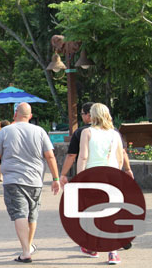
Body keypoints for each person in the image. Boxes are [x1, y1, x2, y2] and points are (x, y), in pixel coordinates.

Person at [0, 103, 60, 263]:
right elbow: (50, 156)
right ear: (30, 115)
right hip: (35, 179)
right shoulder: (40, 131)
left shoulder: (5, 131)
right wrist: (55, 179)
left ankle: (26, 251)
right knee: (32, 214)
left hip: (13, 180)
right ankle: (28, 246)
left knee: (19, 213)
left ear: (15, 114)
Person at [76, 103, 124, 264]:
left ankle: (93, 246)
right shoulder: (114, 134)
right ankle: (113, 252)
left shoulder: (87, 132)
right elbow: (120, 158)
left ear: (92, 115)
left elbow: (83, 157)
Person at [59, 102, 94, 187]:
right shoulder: (113, 131)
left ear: (88, 115)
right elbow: (122, 152)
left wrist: (63, 174)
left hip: (87, 172)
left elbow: (71, 155)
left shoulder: (81, 132)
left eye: (82, 113)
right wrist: (127, 169)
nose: (81, 116)